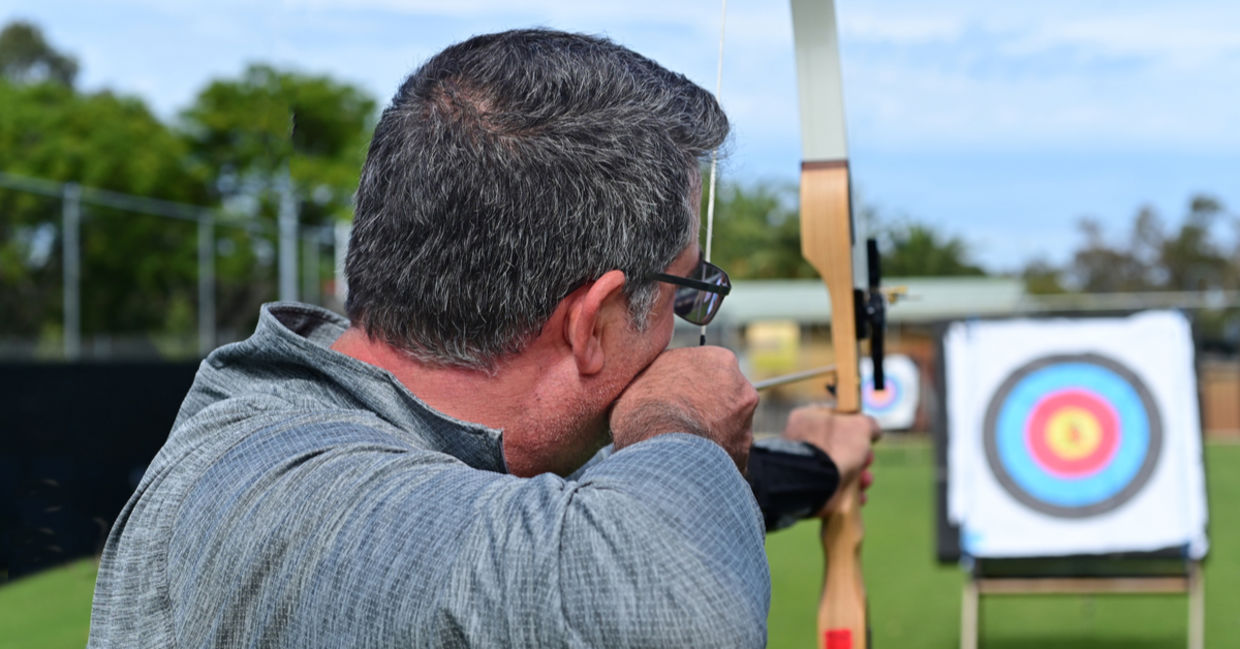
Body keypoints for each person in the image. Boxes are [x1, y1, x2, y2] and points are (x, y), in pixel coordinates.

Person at [87, 29, 878, 648]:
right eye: (686, 290)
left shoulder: (398, 431)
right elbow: (669, 596)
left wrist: (818, 464)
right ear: (594, 323)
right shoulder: (285, 498)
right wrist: (680, 418)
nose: (684, 331)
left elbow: (573, 497)